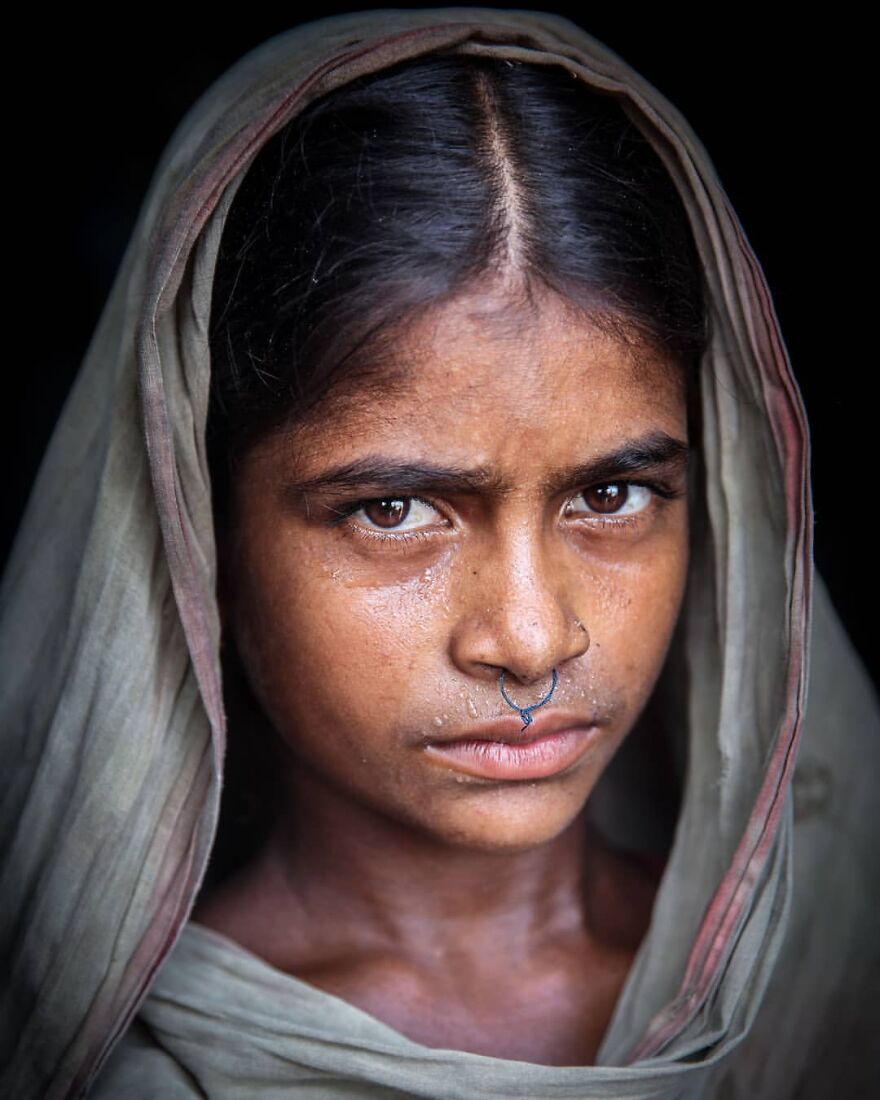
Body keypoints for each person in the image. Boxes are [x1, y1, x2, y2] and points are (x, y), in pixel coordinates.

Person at [0, 8, 876, 1099]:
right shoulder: (126, 1069)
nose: (531, 637)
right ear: (199, 525)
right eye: (395, 511)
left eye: (611, 493)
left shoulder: (833, 972)